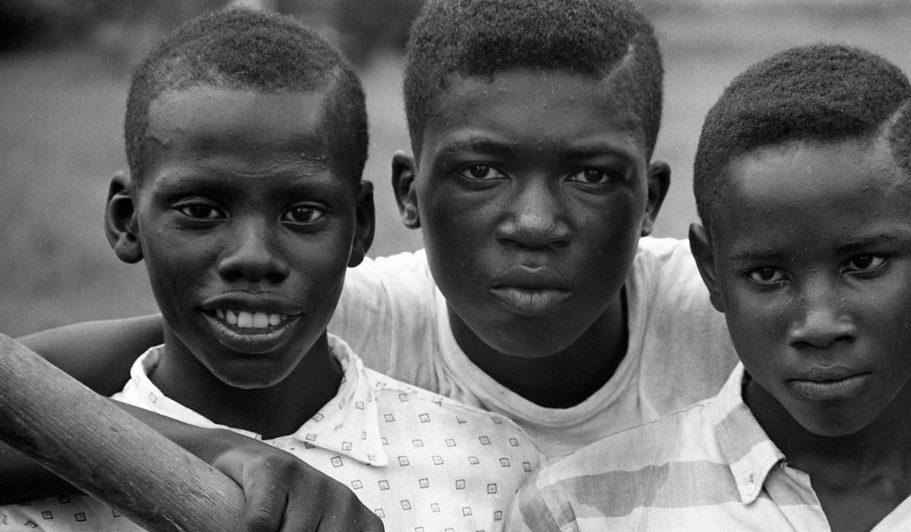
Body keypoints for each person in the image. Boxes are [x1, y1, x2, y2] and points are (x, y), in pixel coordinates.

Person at [10, 0, 911, 484]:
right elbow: (29, 394)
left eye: (591, 176)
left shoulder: (729, 311)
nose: (535, 223)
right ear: (402, 196)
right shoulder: (348, 316)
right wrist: (207, 449)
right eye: (480, 172)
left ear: (650, 200)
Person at [0, 8, 541, 531]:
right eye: (200, 211)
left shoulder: (489, 470)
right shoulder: (36, 489)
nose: (253, 256)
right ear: (127, 221)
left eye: (302, 214)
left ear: (361, 227)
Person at [507, 43, 911, 531]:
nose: (819, 325)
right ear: (711, 270)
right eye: (768, 275)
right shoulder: (585, 510)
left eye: (864, 263)